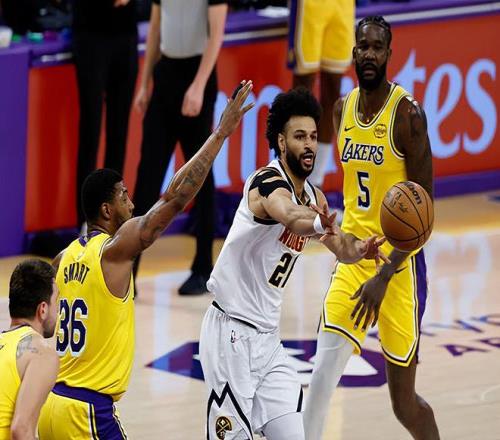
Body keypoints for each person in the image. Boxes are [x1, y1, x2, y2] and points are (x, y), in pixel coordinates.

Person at [37, 81, 254, 439]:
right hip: (87, 411)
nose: (132, 203)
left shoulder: (62, 259)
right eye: (124, 197)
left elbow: (44, 328)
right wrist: (220, 134)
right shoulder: (113, 251)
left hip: (51, 403)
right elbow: (175, 198)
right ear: (106, 210)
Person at [199, 88, 386, 440]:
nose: (309, 145)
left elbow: (340, 246)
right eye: (300, 137)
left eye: (313, 137)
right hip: (230, 334)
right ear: (282, 143)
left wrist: (362, 248)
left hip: (267, 340)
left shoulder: (314, 196)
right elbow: (288, 214)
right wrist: (317, 223)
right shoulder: (266, 181)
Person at [304, 16, 440, 440]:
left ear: (389, 54)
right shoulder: (341, 109)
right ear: (353, 52)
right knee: (321, 378)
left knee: (404, 406)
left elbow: (425, 212)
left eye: (377, 48)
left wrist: (384, 275)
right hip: (353, 260)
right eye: (363, 46)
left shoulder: (407, 115)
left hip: (399, 271)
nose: (368, 54)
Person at [133, 0, 228, 295]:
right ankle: (128, 270)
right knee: (147, 177)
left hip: (196, 73)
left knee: (200, 177)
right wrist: (145, 82)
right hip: (165, 74)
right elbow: (156, 28)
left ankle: (203, 267)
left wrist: (198, 85)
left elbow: (216, 34)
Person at [74, 0, 139, 225]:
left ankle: (114, 219)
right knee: (90, 132)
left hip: (126, 33)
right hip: (91, 32)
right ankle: (86, 223)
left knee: (118, 133)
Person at [287, 0, 354, 188]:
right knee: (302, 96)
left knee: (333, 92)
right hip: (311, 6)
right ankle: (295, 177)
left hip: (342, 5)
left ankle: (316, 181)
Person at [0, 260, 59, 440]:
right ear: (43, 309)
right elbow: (21, 429)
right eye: (56, 301)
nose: (58, 310)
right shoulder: (41, 353)